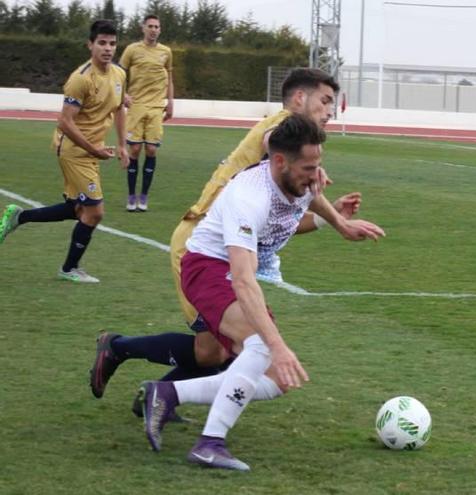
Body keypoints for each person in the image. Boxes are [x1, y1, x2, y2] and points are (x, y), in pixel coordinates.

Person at [89, 68, 349, 410]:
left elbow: (279, 223)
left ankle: (149, 389)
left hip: (221, 248)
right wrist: (318, 179)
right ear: (300, 99)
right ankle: (128, 360)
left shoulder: (288, 164)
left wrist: (336, 221)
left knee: (214, 350)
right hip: (199, 245)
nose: (329, 110)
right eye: (325, 100)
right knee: (228, 347)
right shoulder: (280, 127)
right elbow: (274, 141)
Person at [139, 114, 384, 470]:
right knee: (261, 346)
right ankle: (210, 443)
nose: (317, 176)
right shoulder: (247, 197)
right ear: (279, 161)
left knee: (274, 380)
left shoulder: (298, 180)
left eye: (319, 165)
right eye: (309, 167)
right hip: (207, 268)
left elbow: (305, 204)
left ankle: (167, 393)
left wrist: (339, 224)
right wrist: (277, 345)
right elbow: (242, 279)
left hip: (230, 271)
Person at [0, 20, 128, 282]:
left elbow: (119, 109)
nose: (107, 48)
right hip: (73, 150)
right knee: (95, 211)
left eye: (112, 43)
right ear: (90, 45)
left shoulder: (119, 75)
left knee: (77, 209)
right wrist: (95, 149)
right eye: (101, 43)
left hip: (92, 150)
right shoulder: (80, 79)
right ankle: (69, 269)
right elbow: (65, 122)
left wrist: (123, 145)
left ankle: (19, 217)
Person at [119, 14, 174, 212]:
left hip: (157, 106)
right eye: (150, 26)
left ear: (160, 30)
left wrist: (171, 102)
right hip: (136, 106)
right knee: (134, 151)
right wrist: (123, 94)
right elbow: (118, 74)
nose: (153, 29)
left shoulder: (166, 52)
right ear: (143, 28)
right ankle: (131, 195)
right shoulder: (132, 50)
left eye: (156, 27)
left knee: (151, 150)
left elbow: (169, 76)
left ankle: (144, 196)